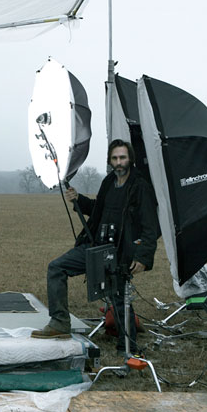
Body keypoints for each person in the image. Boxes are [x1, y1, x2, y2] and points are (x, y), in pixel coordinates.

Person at [32, 139, 159, 354]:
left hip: (120, 251)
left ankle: (128, 346)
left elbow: (150, 226)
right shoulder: (109, 181)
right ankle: (60, 322)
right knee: (57, 268)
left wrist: (143, 256)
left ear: (130, 160)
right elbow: (98, 210)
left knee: (119, 296)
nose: (119, 162)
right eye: (115, 158)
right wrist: (78, 200)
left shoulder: (140, 187)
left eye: (123, 158)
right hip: (95, 246)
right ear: (110, 161)